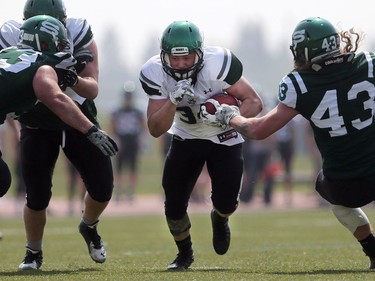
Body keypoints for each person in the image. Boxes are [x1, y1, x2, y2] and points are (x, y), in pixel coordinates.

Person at [202, 16, 375, 269]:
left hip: (343, 182)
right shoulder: (369, 64)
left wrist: (230, 116)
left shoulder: (299, 84)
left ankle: (371, 247)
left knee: (330, 192)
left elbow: (257, 129)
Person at [0, 0, 117, 270]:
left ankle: (88, 225)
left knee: (102, 188)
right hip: (38, 122)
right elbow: (55, 98)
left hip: (73, 116)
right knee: (32, 193)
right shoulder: (41, 67)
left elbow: (91, 89)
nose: (65, 45)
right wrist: (91, 129)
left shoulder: (71, 36)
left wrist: (73, 80)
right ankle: (33, 253)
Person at [140, 20, 263, 270]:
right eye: (175, 59)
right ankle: (185, 254)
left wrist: (226, 117)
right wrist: (172, 101)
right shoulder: (154, 72)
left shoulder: (217, 65)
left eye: (187, 58)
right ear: (164, 56)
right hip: (186, 138)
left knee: (227, 202)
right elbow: (155, 129)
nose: (181, 64)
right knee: (173, 206)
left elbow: (254, 102)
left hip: (225, 139)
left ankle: (220, 218)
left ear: (200, 53)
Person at [110, 83, 146, 202]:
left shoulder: (138, 111)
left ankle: (130, 191)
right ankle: (119, 191)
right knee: (119, 168)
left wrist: (141, 140)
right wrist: (115, 141)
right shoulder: (117, 111)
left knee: (132, 168)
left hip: (133, 141)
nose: (128, 99)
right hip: (121, 141)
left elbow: (142, 126)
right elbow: (113, 126)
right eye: (127, 96)